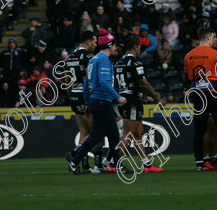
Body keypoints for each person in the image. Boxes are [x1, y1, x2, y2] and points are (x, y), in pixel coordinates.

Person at [67, 30, 125, 175]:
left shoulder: (94, 59)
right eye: (114, 44)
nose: (116, 47)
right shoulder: (103, 59)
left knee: (113, 135)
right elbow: (105, 83)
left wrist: (87, 103)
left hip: (95, 101)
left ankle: (115, 164)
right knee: (96, 136)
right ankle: (74, 162)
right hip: (102, 102)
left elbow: (86, 83)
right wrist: (118, 97)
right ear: (109, 45)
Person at [183, 27, 217, 171]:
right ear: (208, 38)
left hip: (198, 94)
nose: (216, 39)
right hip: (214, 92)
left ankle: (199, 162)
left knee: (199, 128)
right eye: (214, 37)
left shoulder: (188, 55)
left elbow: (187, 78)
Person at [115, 36, 164, 173]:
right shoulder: (135, 62)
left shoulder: (118, 63)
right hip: (132, 101)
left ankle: (146, 164)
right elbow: (144, 83)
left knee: (137, 133)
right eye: (139, 47)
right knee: (128, 133)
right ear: (136, 47)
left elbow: (116, 85)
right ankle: (114, 163)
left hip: (124, 99)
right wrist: (157, 98)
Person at [66, 31, 98, 172]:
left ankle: (84, 166)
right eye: (94, 42)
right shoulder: (88, 56)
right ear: (88, 42)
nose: (95, 45)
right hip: (86, 96)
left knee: (83, 131)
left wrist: (71, 97)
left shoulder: (70, 56)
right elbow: (90, 79)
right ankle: (75, 153)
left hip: (74, 95)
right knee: (95, 131)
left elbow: (67, 80)